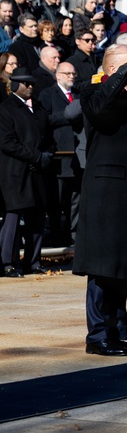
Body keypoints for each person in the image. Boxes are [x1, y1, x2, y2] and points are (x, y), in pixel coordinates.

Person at [73, 46, 127, 356]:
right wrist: (119, 73)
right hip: (105, 192)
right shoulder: (93, 91)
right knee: (101, 266)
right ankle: (97, 335)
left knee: (122, 265)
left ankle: (119, 329)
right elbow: (97, 110)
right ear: (111, 70)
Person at [0, 68, 51, 277]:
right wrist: (36, 156)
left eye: (32, 84)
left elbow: (47, 137)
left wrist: (47, 154)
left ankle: (33, 261)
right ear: (14, 85)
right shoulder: (6, 109)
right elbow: (7, 143)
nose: (30, 87)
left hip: (37, 172)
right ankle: (7, 263)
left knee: (37, 219)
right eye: (25, 83)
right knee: (12, 219)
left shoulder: (38, 109)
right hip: (15, 173)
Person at [38, 61, 83, 245]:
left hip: (77, 155)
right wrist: (68, 115)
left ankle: (73, 234)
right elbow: (44, 119)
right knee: (56, 199)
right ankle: (56, 234)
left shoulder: (79, 96)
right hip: (59, 155)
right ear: (57, 75)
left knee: (75, 199)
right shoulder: (47, 94)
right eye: (67, 73)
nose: (71, 76)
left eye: (73, 73)